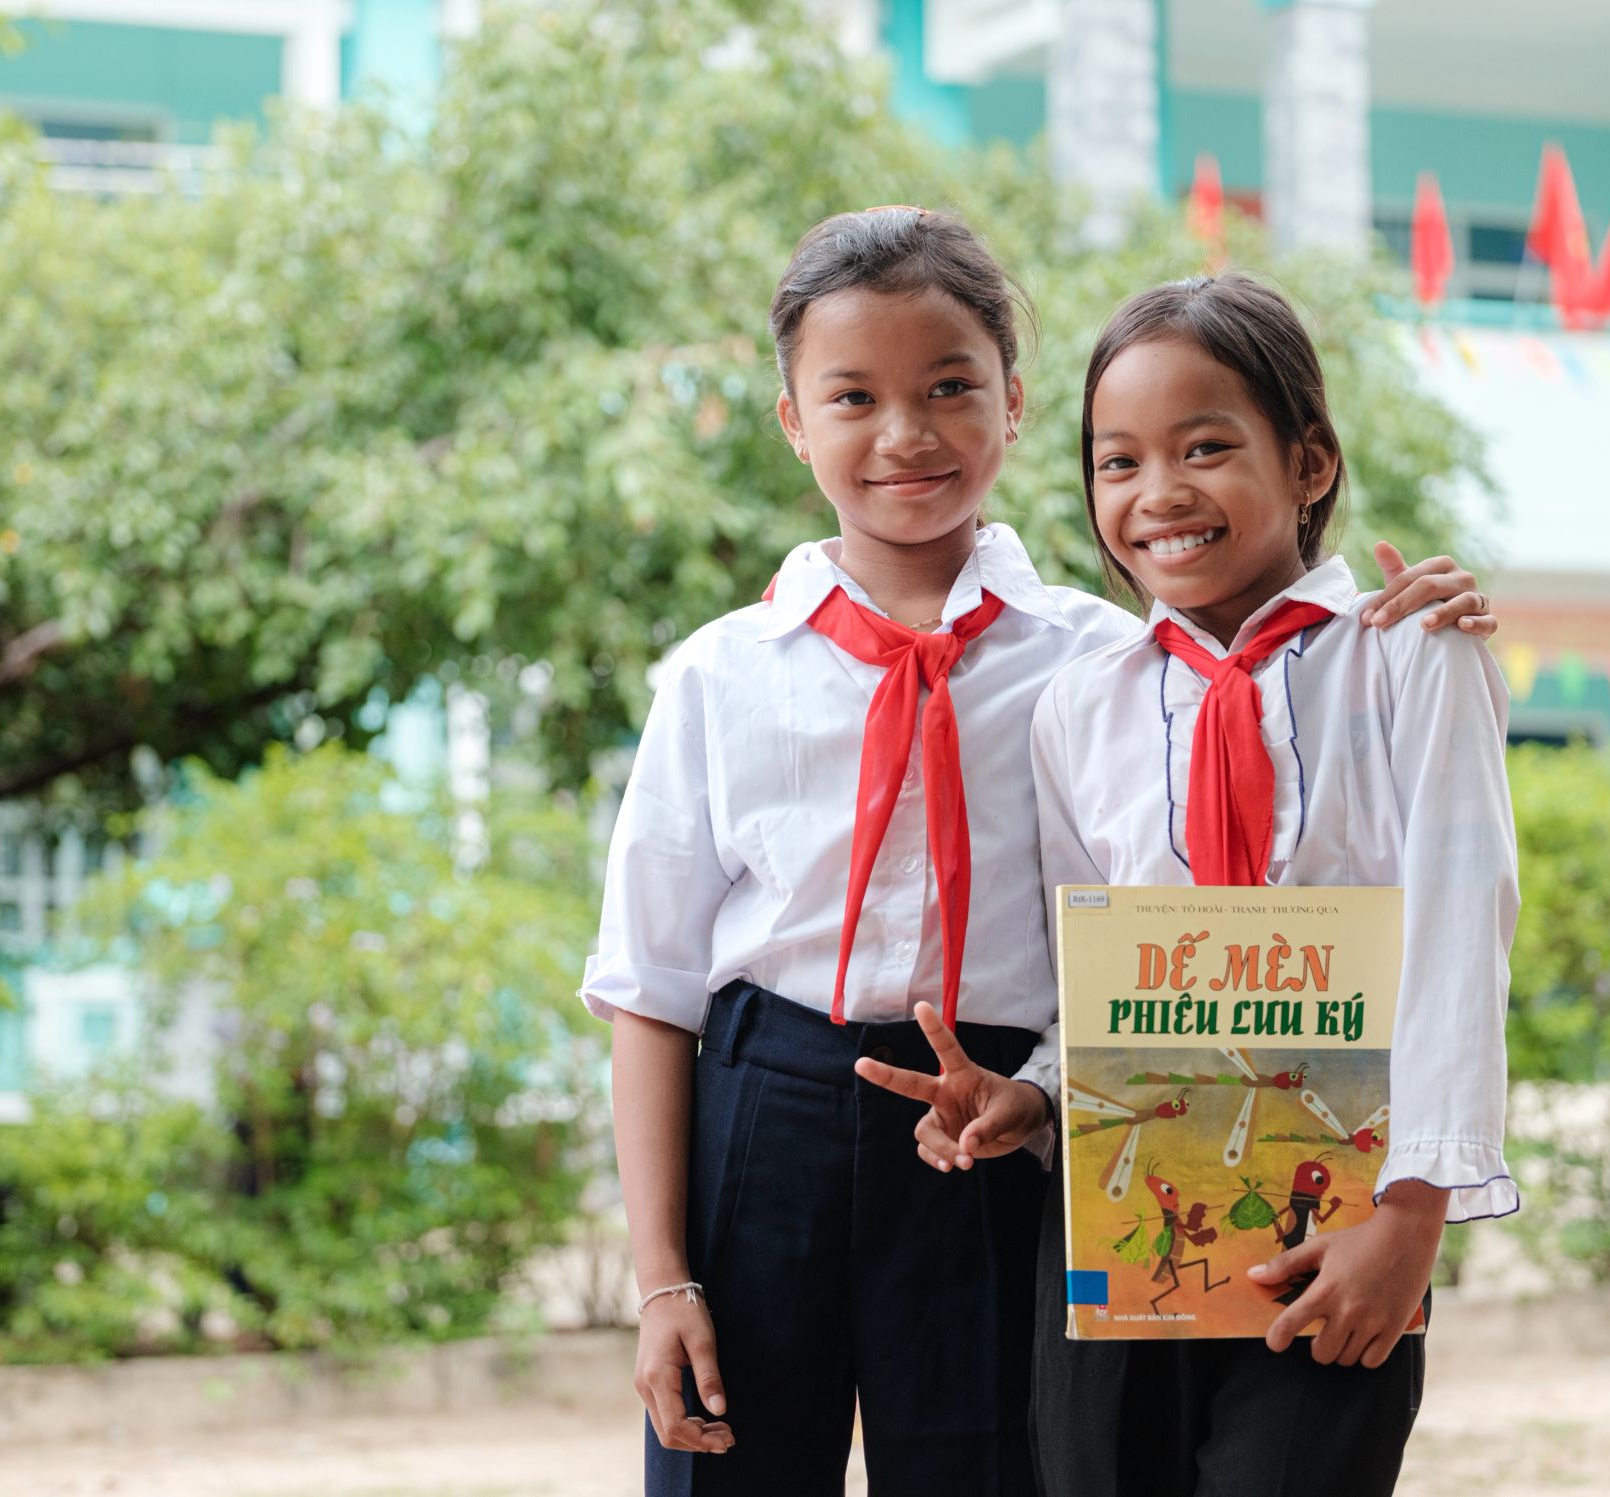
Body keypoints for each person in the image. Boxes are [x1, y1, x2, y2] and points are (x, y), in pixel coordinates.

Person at [580, 210, 1494, 1497]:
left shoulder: (1094, 661)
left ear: (1012, 406)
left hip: (1004, 1127)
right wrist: (660, 1276)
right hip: (765, 1106)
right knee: (727, 1463)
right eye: (852, 397)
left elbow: (1139, 919)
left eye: (950, 389)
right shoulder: (724, 674)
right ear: (793, 421)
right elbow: (648, 983)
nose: (905, 434)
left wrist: (1425, 616)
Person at [861, 271, 1519, 1497]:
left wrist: (1412, 1220)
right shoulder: (1080, 705)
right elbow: (1094, 971)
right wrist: (1036, 1098)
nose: (1157, 494)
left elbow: (1456, 946)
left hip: (1333, 1219)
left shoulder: (1410, 659)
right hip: (1123, 1221)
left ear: (1309, 461)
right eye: (1117, 462)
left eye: (1205, 447)